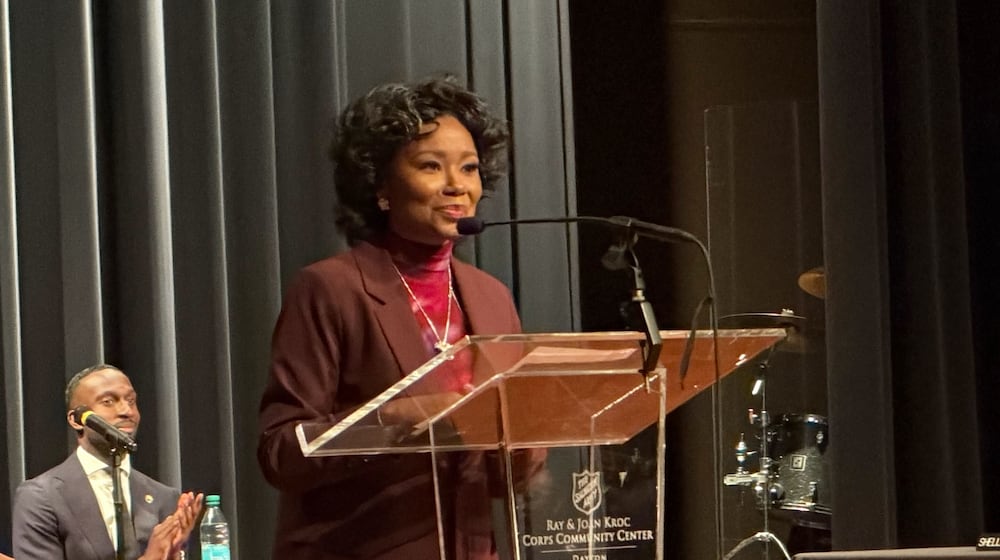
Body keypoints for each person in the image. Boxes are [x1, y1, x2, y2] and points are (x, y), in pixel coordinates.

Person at [257, 75, 537, 559]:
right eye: (431, 166)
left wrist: (529, 435)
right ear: (382, 188)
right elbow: (281, 453)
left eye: (469, 169)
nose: (457, 186)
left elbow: (510, 466)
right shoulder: (332, 289)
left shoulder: (491, 297)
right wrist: (394, 420)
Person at [12, 364, 204, 560]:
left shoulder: (163, 497)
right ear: (77, 419)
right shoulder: (41, 497)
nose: (126, 410)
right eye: (108, 401)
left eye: (131, 401)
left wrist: (175, 554)